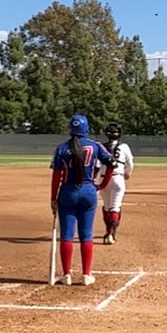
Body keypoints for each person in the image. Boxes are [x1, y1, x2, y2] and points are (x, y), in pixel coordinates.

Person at [50, 115, 114, 285]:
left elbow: (56, 176)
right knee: (86, 235)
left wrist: (53, 198)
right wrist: (102, 184)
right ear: (86, 129)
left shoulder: (62, 148)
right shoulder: (95, 145)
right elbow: (111, 163)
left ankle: (67, 274)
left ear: (70, 129)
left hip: (67, 192)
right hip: (88, 191)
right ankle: (86, 274)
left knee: (67, 235)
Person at [102, 125, 133, 244]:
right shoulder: (124, 146)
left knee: (106, 207)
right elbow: (130, 164)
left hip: (104, 179)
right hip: (118, 178)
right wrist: (128, 173)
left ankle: (107, 231)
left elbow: (97, 165)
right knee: (115, 207)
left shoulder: (101, 146)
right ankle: (111, 234)